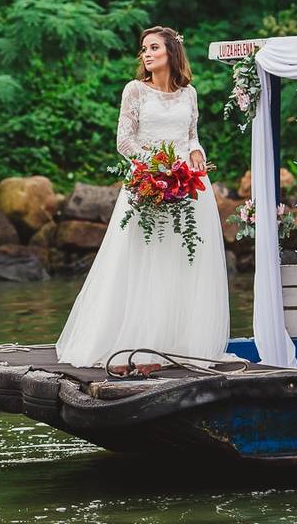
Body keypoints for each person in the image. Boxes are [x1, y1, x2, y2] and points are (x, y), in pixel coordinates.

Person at [55, 26, 231, 368]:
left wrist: (196, 152)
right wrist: (158, 167)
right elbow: (125, 141)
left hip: (189, 186)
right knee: (140, 265)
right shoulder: (135, 91)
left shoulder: (189, 93)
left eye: (153, 48)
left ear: (171, 53)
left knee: (179, 266)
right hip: (149, 181)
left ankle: (167, 350)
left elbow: (192, 136)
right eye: (144, 49)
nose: (146, 54)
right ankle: (129, 344)